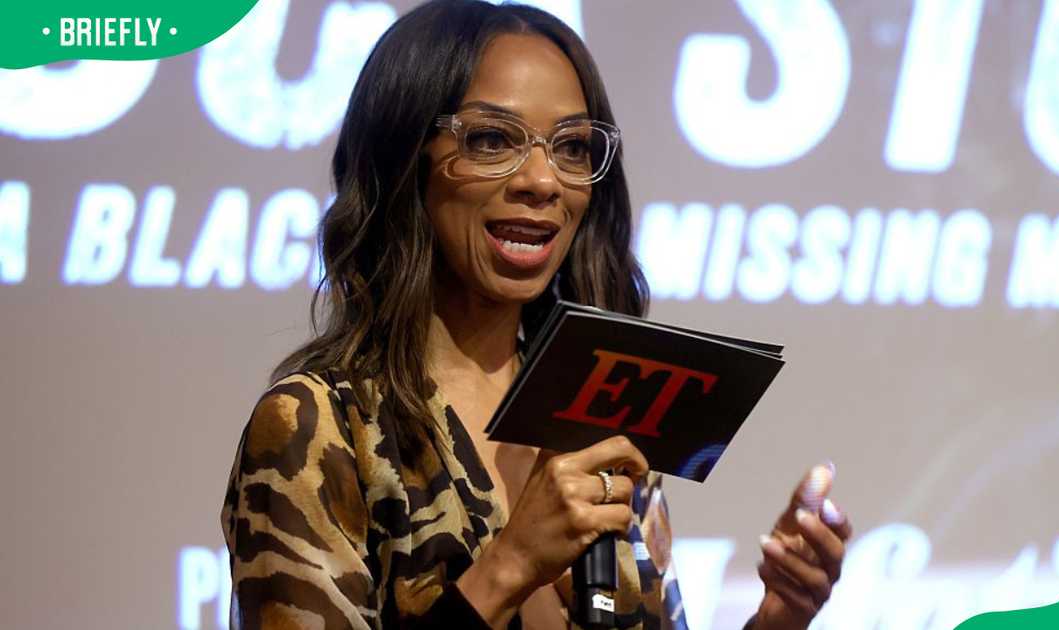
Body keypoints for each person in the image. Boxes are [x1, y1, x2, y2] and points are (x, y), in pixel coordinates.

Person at [220, 1, 852, 628]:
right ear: (404, 156)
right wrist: (512, 564)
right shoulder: (319, 425)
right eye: (493, 139)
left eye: (573, 147)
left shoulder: (601, 413)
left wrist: (780, 615)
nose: (544, 181)